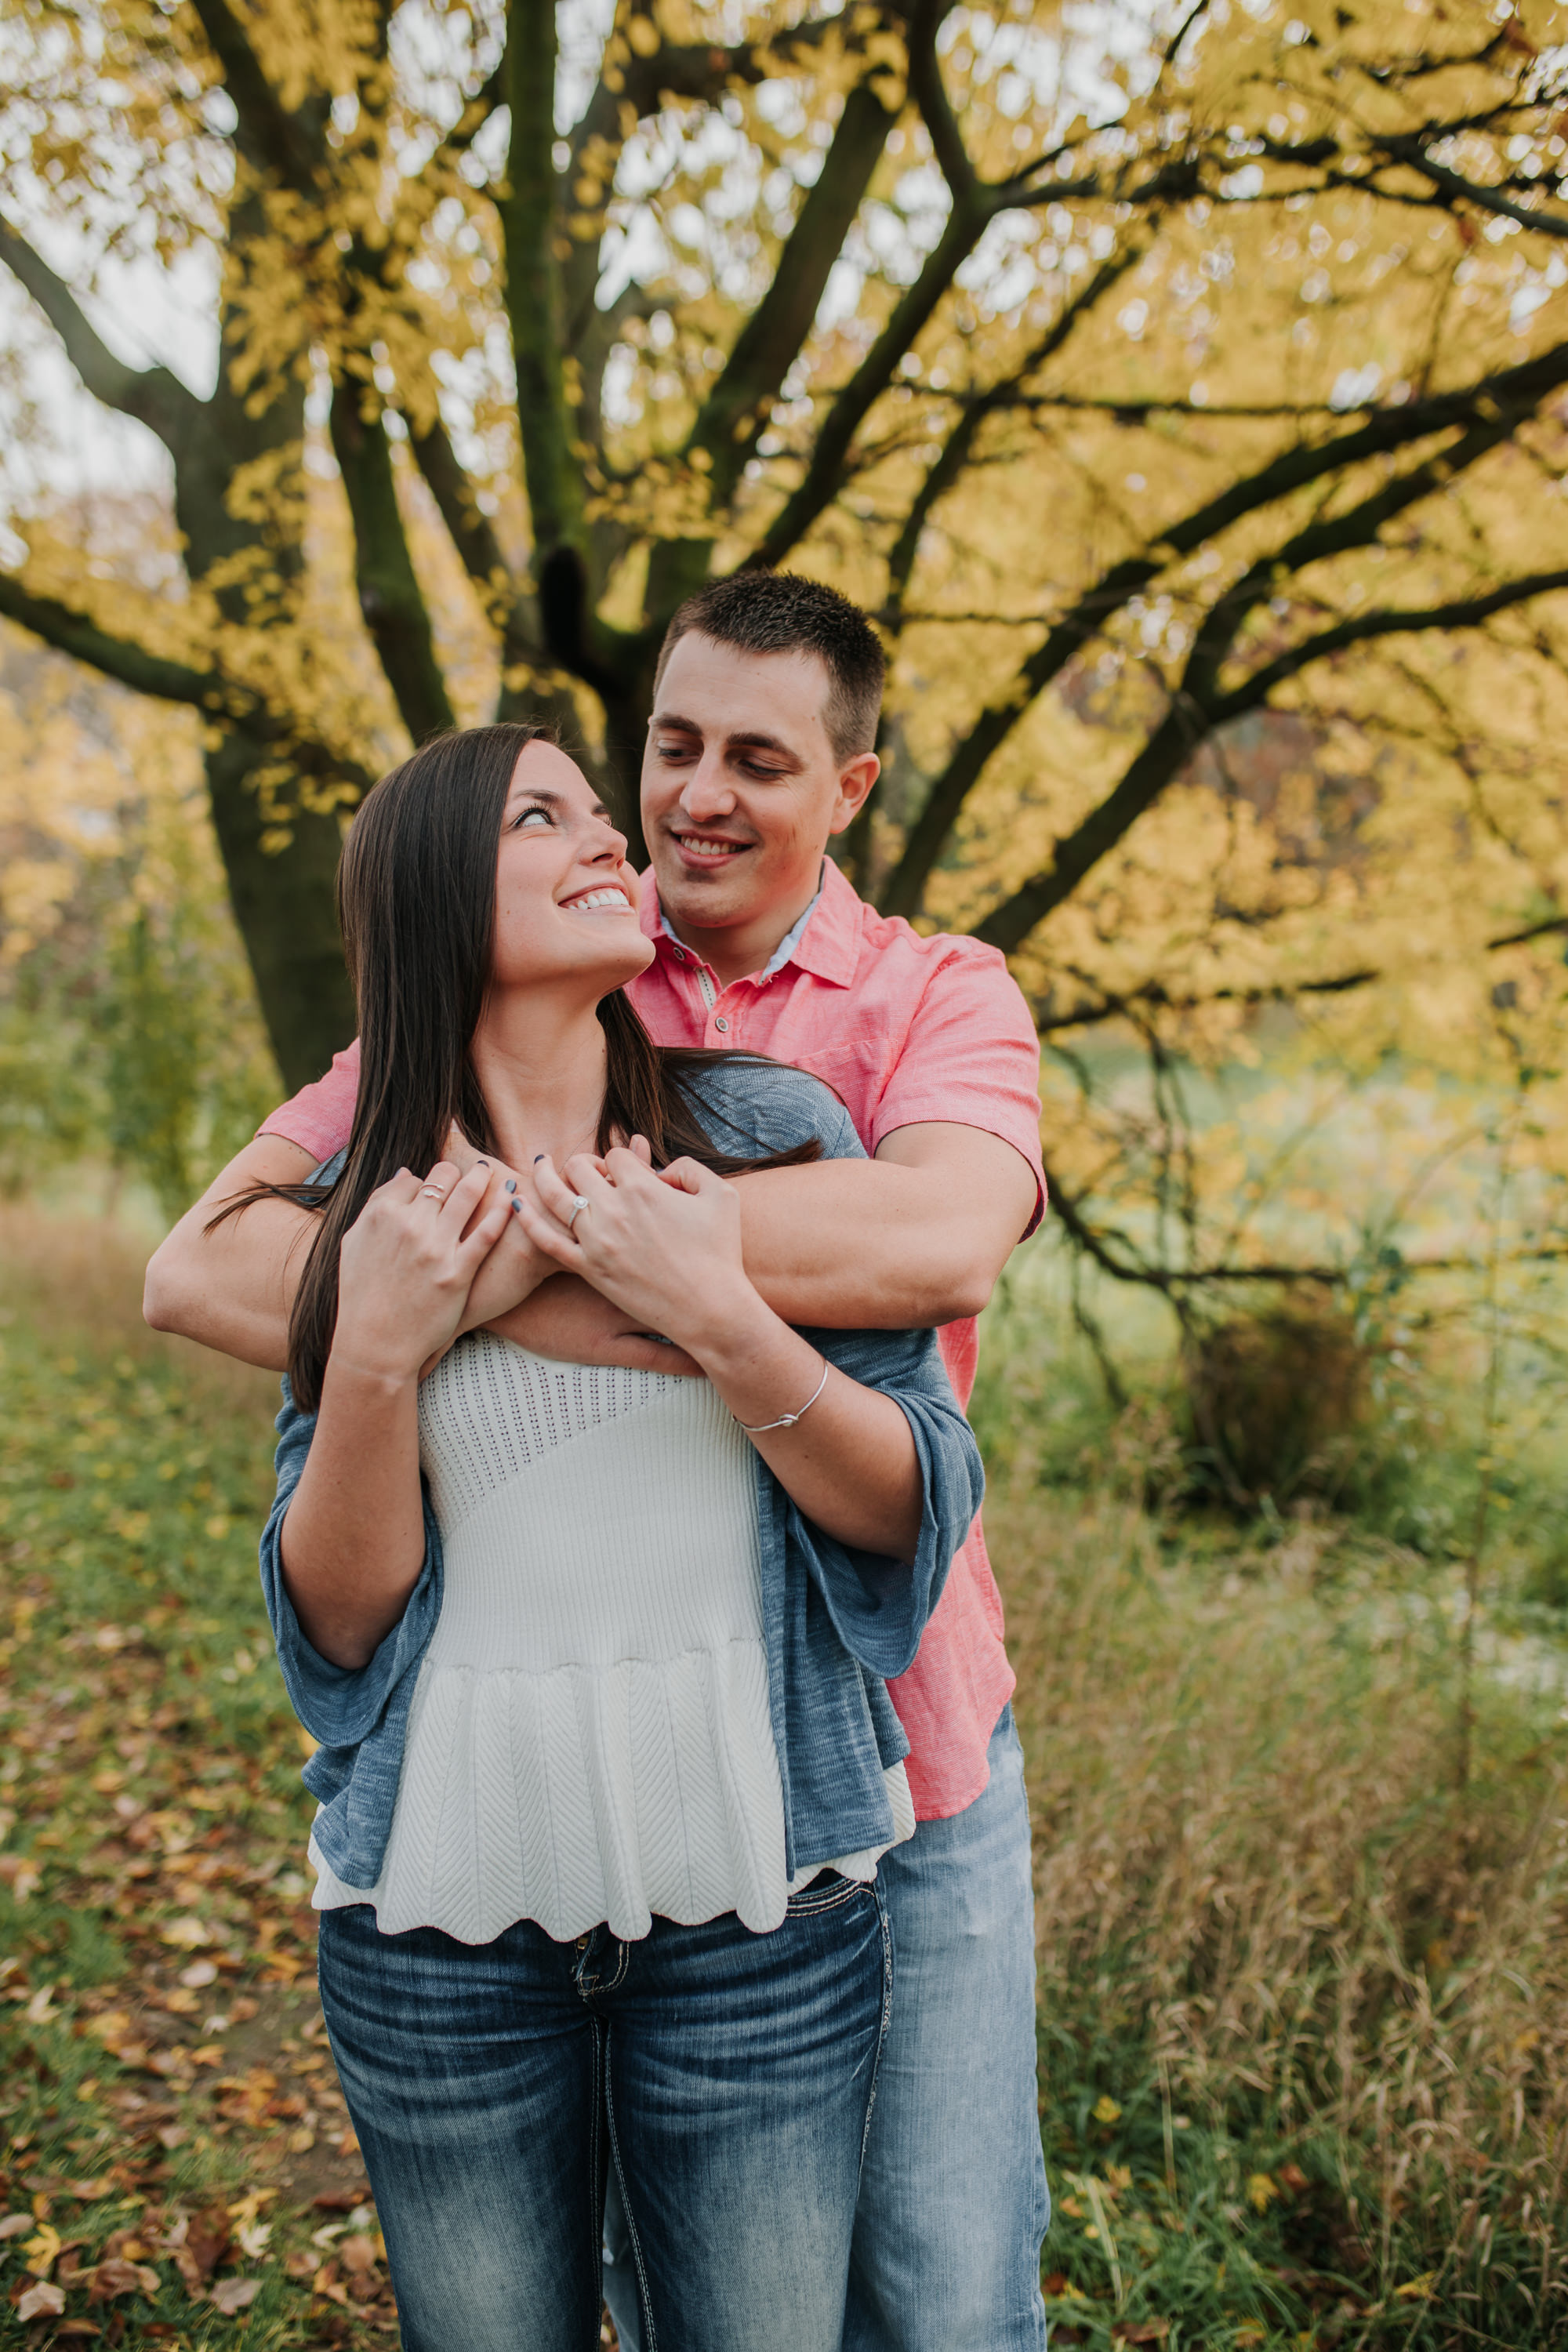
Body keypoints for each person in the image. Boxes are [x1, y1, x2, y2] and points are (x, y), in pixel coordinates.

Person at [147, 572, 1051, 2352]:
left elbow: (940, 1237)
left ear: (847, 791)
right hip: (518, 1840)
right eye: (671, 746)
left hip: (887, 1760)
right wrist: (512, 1275)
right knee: (663, 2293)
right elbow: (208, 1267)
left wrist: (572, 1263)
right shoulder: (445, 1051)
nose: (693, 796)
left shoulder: (918, 1004)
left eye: (758, 761)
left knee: (943, 2303)